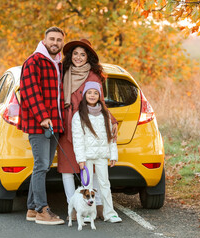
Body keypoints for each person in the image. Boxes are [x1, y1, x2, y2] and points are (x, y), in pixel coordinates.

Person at [57, 38, 117, 220]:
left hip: (89, 124)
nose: (78, 57)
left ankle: (98, 205)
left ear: (88, 57)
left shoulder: (93, 76)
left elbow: (100, 101)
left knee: (94, 169)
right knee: (67, 167)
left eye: (83, 54)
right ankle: (73, 207)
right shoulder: (63, 72)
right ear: (70, 55)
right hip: (67, 124)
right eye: (75, 53)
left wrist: (111, 120)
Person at [17, 26, 65, 225]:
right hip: (39, 124)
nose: (55, 43)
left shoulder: (58, 63)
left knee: (43, 166)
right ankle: (42, 210)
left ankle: (31, 208)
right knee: (41, 165)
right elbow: (29, 92)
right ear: (44, 41)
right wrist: (43, 116)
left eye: (59, 40)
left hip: (54, 123)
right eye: (52, 39)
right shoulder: (33, 61)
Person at [71, 81, 122, 223]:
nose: (92, 95)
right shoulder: (79, 116)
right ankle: (87, 214)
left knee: (105, 184)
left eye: (95, 93)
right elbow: (77, 139)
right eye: (89, 93)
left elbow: (111, 136)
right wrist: (80, 159)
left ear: (99, 95)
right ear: (85, 95)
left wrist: (113, 154)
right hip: (86, 157)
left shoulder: (105, 114)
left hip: (101, 156)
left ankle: (110, 213)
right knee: (87, 187)